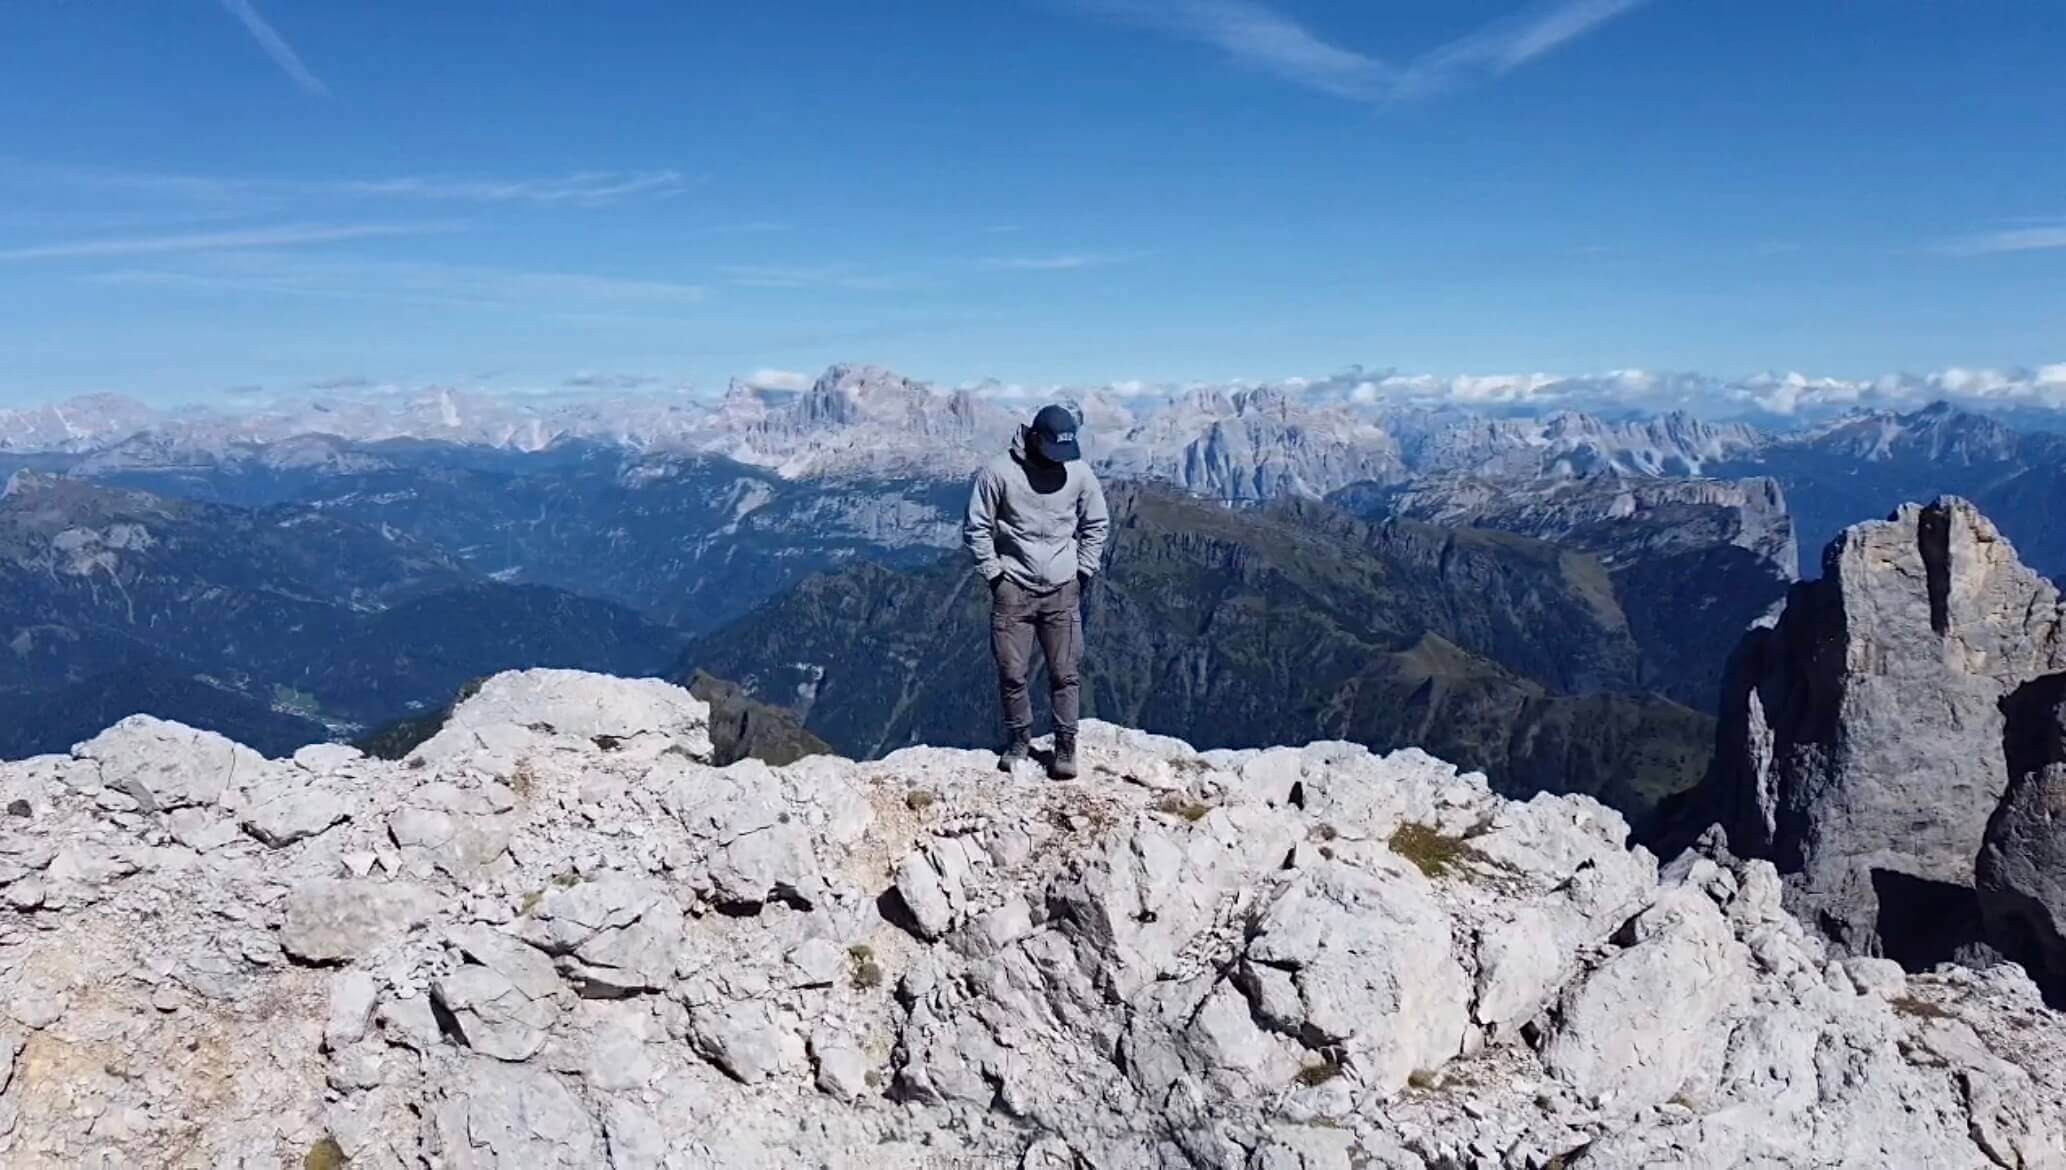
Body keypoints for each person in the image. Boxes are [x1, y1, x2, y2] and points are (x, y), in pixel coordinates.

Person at [963, 404, 1109, 778]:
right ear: (1034, 438)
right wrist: (996, 576)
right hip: (1014, 589)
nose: (1058, 461)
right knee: (1012, 673)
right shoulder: (999, 472)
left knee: (1065, 672)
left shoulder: (1078, 472)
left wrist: (1083, 572)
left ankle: (1065, 745)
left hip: (1063, 589)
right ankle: (1019, 740)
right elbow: (976, 526)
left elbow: (1096, 523)